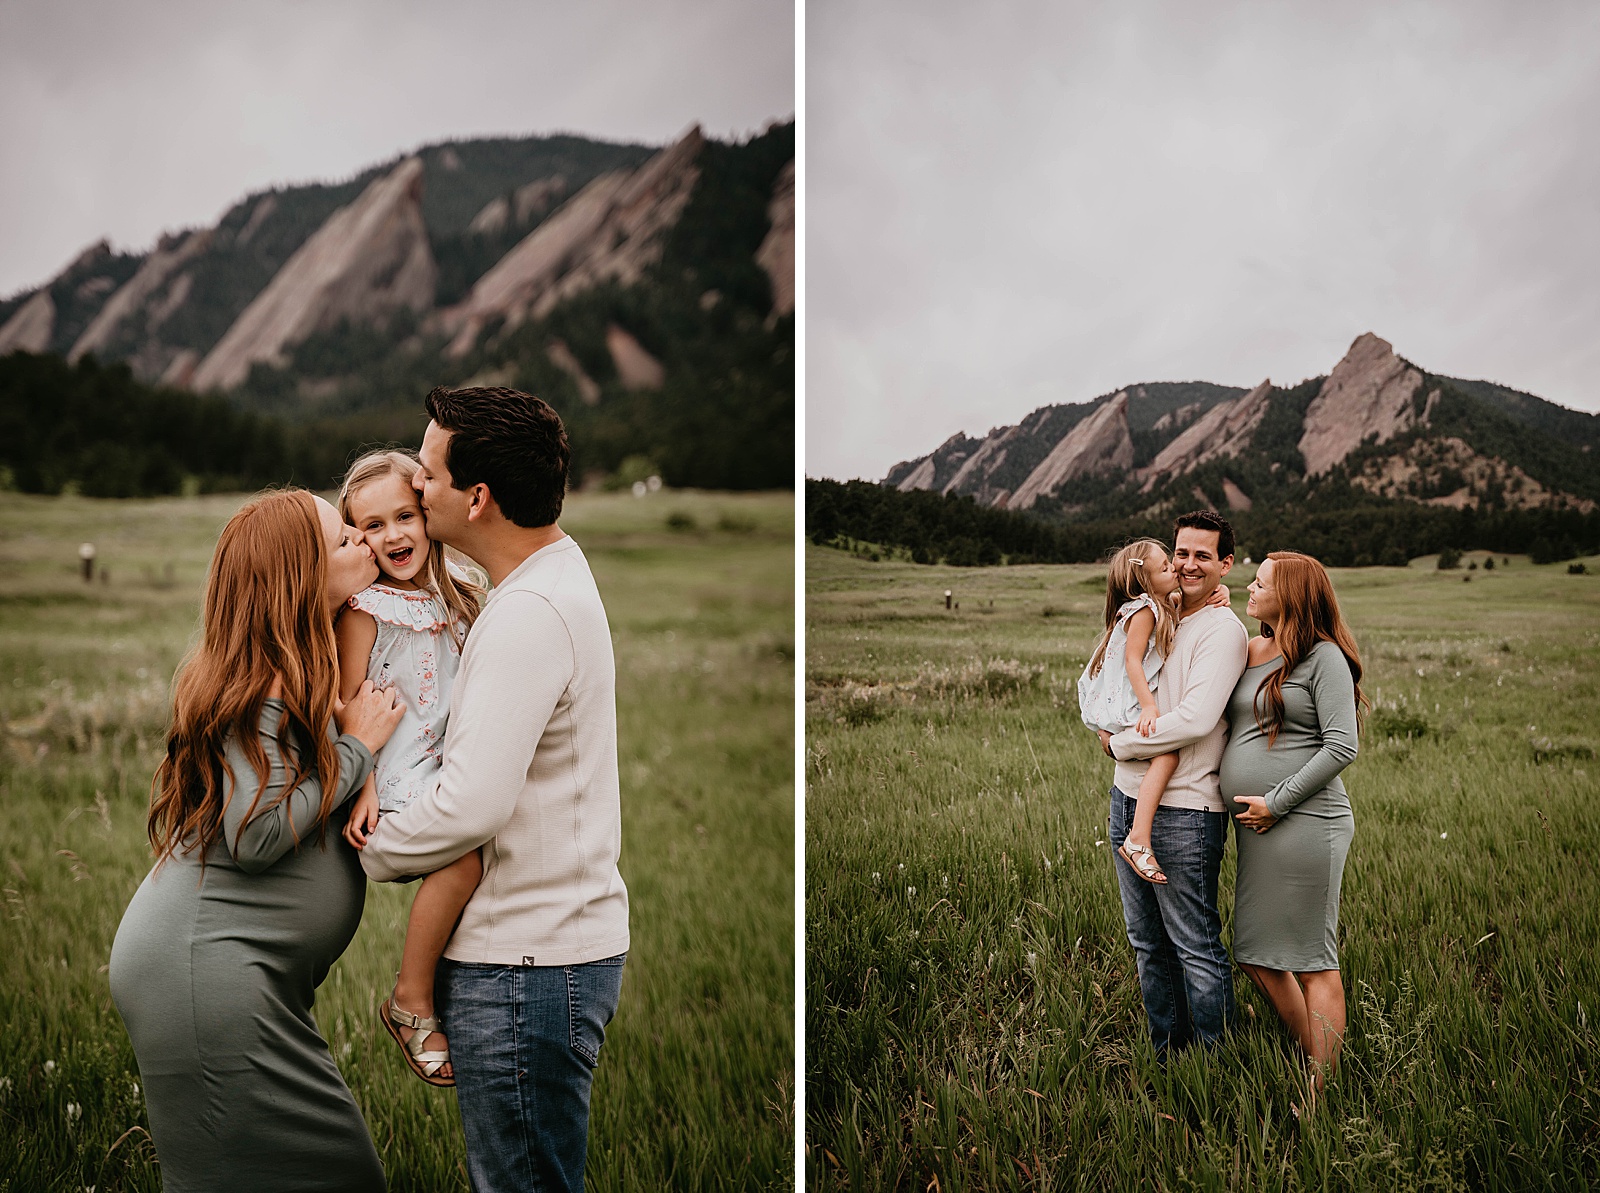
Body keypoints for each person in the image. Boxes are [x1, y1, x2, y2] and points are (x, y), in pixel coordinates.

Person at [359, 386, 629, 1193]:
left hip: (525, 965)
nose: (416, 488)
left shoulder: (527, 614)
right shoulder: (547, 576)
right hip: (540, 955)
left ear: (477, 498)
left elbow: (473, 804)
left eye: (429, 476)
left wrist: (368, 853)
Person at [109, 490, 406, 1193]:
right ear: (298, 577)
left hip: (227, 973)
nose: (365, 542)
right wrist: (359, 749)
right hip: (205, 973)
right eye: (343, 541)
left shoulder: (299, 667)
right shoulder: (266, 685)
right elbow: (255, 831)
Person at [336, 449, 485, 1086]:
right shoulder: (366, 610)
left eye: (404, 515)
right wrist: (361, 781)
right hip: (391, 787)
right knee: (464, 860)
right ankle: (410, 999)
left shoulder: (462, 598)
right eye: (372, 526)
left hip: (446, 770)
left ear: (428, 514)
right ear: (356, 539)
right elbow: (345, 705)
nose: (394, 535)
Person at [1098, 510, 1248, 1055]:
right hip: (1127, 799)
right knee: (1146, 944)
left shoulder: (1224, 629)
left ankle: (1219, 1063)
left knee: (1195, 945)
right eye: (1180, 553)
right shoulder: (1160, 610)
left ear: (1223, 564)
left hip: (1185, 813)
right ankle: (1169, 1052)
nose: (1187, 565)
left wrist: (1121, 743)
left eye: (1202, 557)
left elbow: (1194, 720)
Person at [1222, 551, 1364, 1105]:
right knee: (1255, 953)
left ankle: (1319, 1091)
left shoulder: (1323, 658)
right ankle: (1314, 1051)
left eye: (1259, 583)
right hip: (1257, 827)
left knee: (1313, 959)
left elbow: (1342, 745)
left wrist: (1276, 802)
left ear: (1293, 596)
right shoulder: (1253, 648)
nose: (1248, 589)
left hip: (1307, 821)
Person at [1078, 539, 1184, 884]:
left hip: (1118, 698)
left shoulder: (1155, 604)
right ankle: (1138, 838)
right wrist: (1149, 705)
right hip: (1128, 698)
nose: (1175, 568)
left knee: (1152, 755)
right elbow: (1132, 660)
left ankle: (1137, 834)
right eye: (1165, 567)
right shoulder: (1144, 611)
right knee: (1167, 757)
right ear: (1146, 582)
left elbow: (1179, 603)